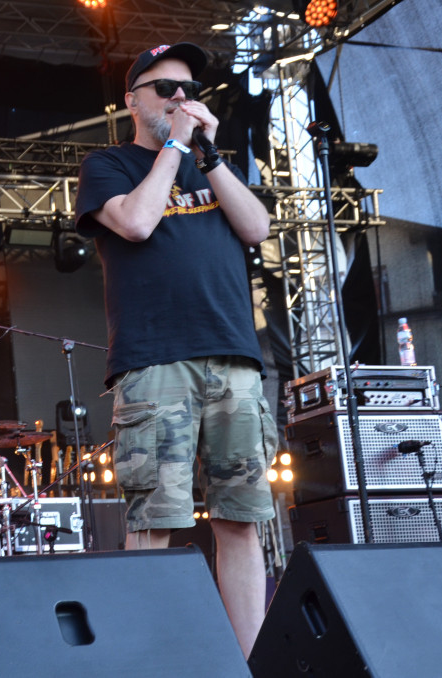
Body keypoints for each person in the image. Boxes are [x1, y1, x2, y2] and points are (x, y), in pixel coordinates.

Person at [74, 43, 277, 657]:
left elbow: (257, 228)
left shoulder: (212, 165)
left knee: (242, 520)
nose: (180, 98)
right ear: (132, 100)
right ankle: (151, 662)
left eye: (189, 89)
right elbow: (137, 223)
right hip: (156, 360)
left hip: (233, 357)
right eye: (165, 89)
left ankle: (250, 662)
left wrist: (208, 154)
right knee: (156, 520)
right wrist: (176, 150)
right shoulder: (109, 164)